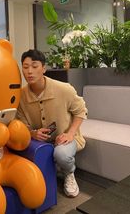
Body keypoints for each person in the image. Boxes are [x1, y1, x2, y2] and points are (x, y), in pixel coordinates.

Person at [17, 49, 87, 198]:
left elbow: (81, 111)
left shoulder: (63, 89)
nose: (29, 71)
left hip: (66, 138)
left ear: (43, 68)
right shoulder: (20, 96)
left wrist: (70, 133)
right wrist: (32, 133)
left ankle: (69, 173)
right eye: (25, 66)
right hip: (40, 141)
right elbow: (21, 122)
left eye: (34, 66)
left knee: (61, 153)